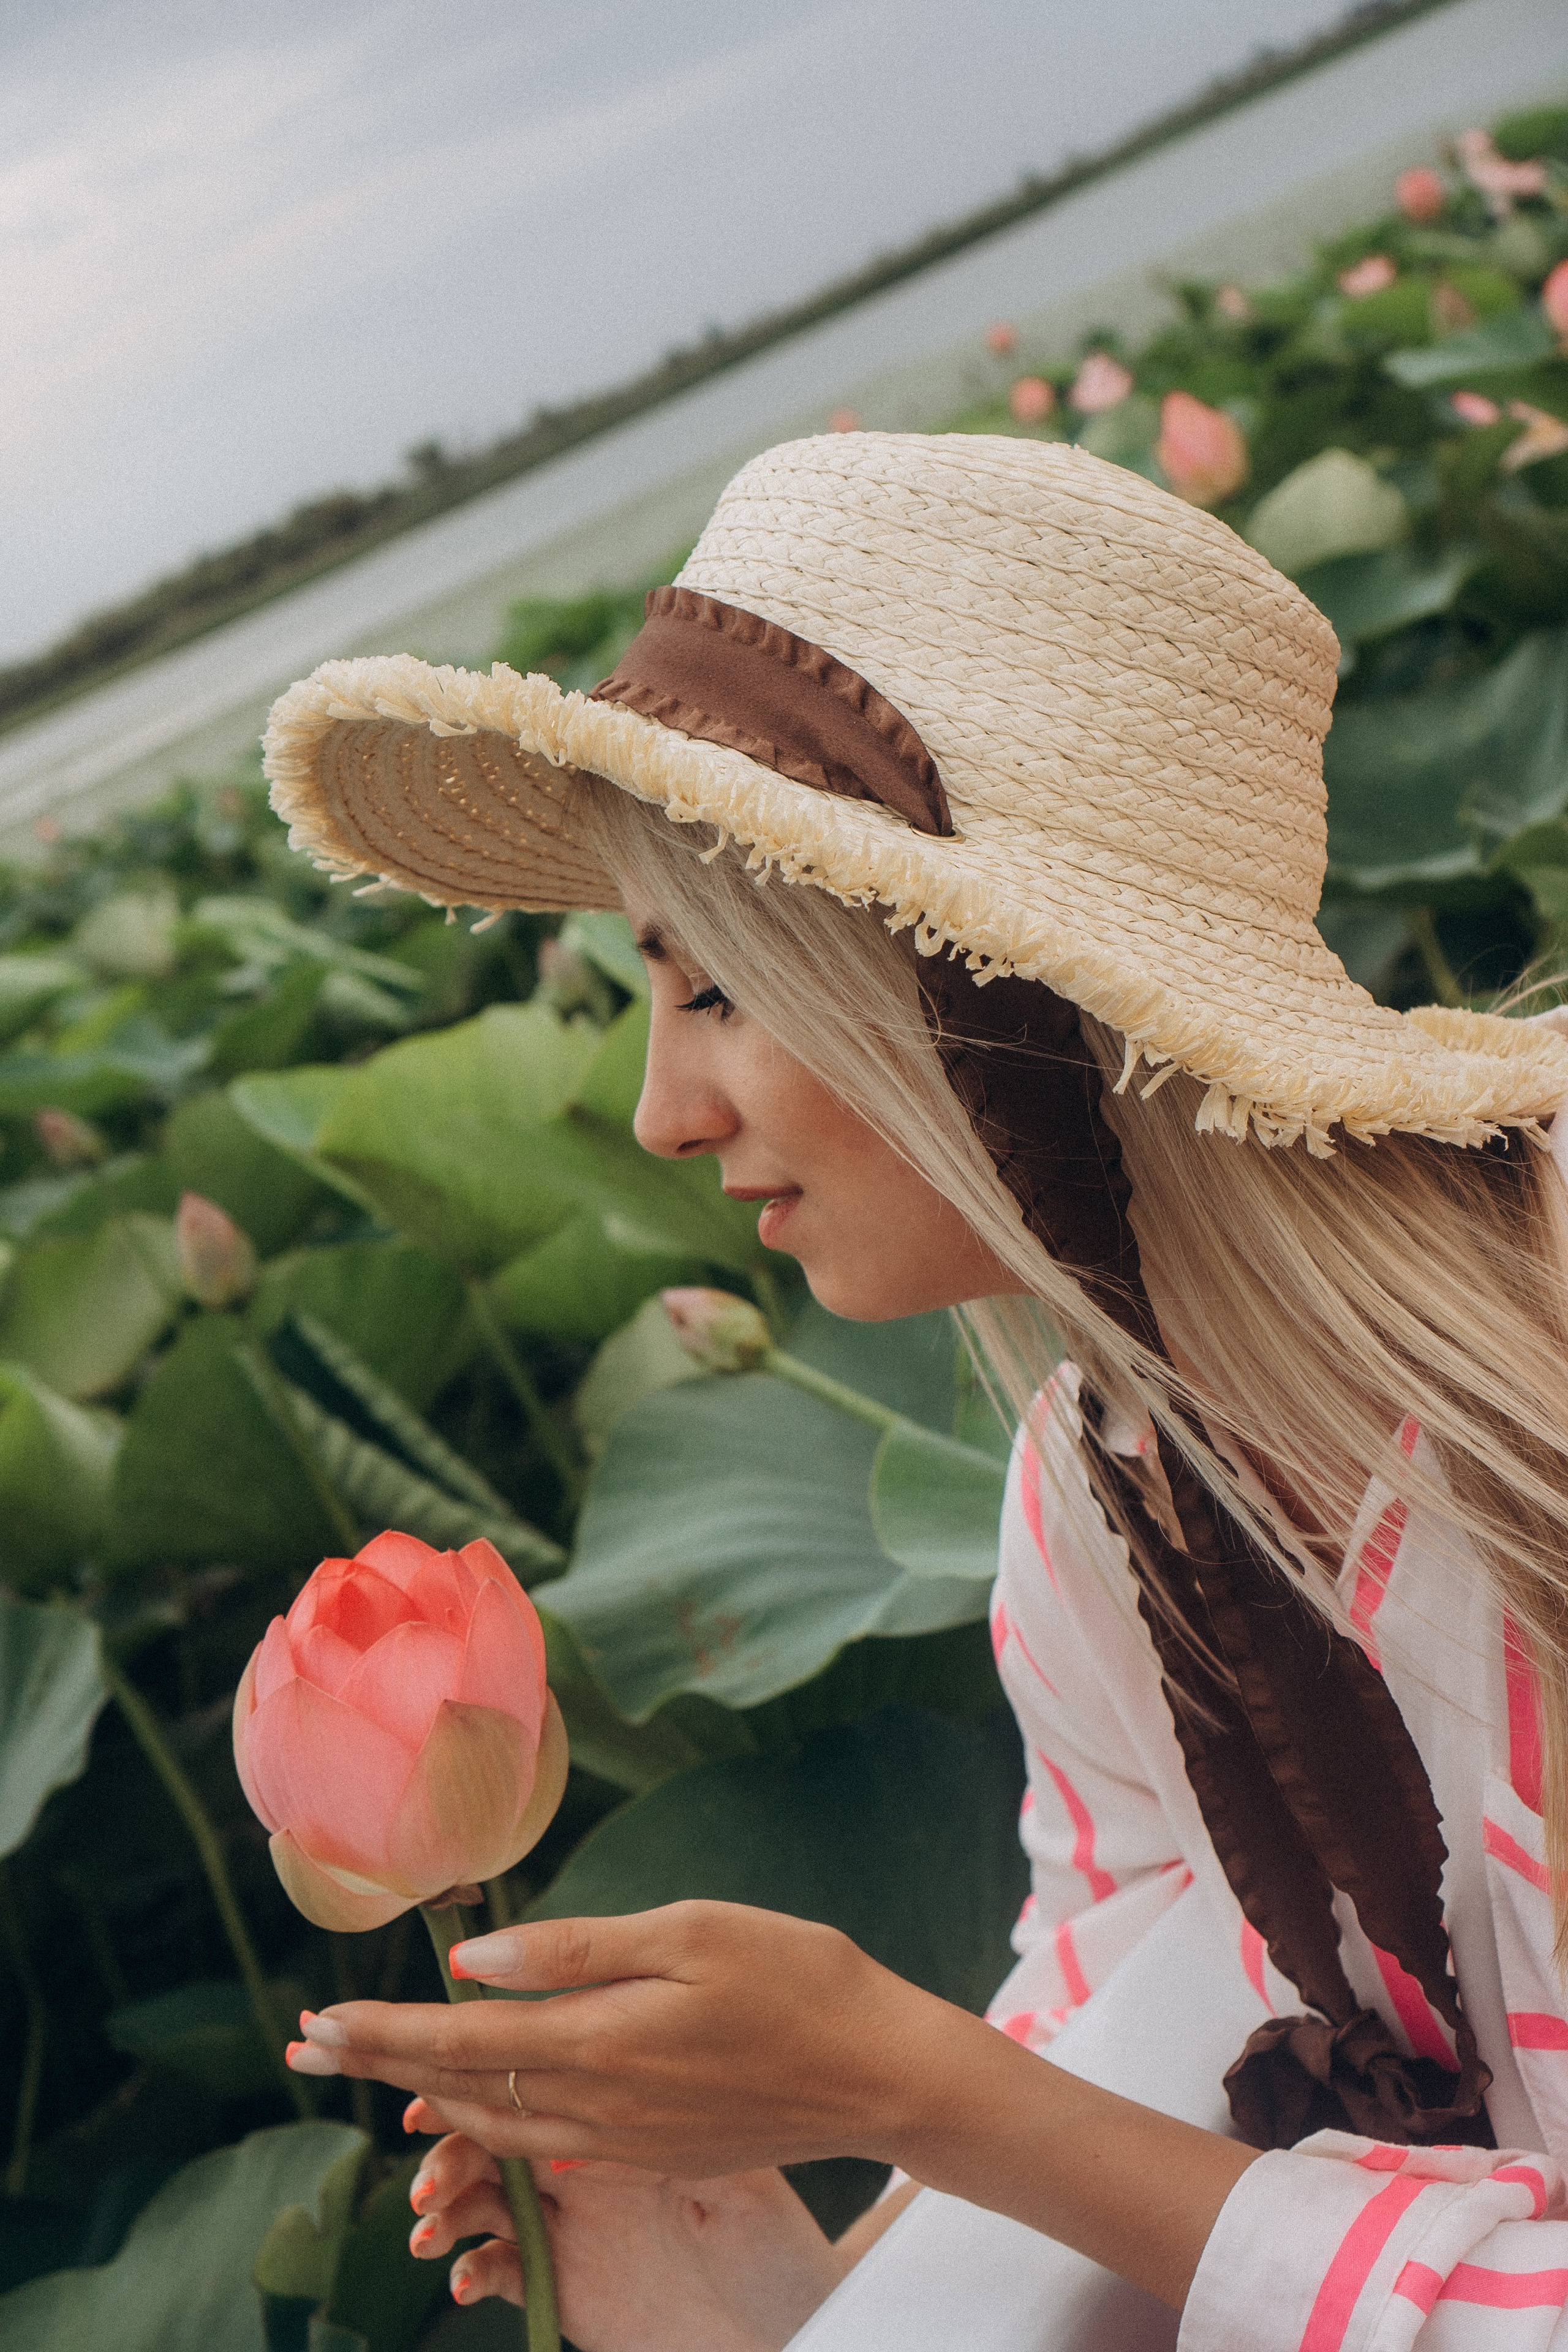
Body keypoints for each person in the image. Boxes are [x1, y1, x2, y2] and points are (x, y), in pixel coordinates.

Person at [266, 432, 1568, 2348]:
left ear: (995, 981)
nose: (655, 1110)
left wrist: (909, 2086)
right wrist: (750, 2267)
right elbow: (1120, 2071)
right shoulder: (1102, 1508)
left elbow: (1038, 2119)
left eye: (711, 985)